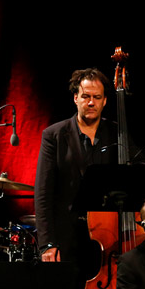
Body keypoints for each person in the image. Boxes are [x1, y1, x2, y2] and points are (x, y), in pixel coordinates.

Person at [35, 67, 117, 265]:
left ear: (105, 100)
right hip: (66, 239)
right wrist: (47, 244)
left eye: (97, 97)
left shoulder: (117, 133)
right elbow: (43, 194)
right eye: (85, 96)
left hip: (108, 238)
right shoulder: (53, 135)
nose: (91, 102)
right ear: (75, 98)